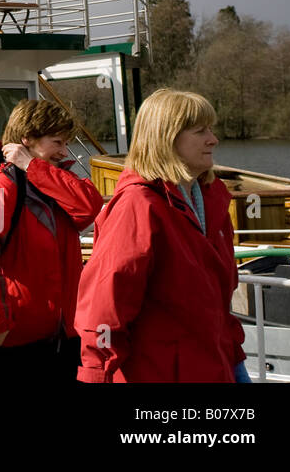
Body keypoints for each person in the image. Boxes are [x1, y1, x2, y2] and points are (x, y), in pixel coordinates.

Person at [75, 89, 247, 383]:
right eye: (200, 131)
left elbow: (219, 302)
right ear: (167, 138)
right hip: (161, 372)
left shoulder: (211, 201)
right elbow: (104, 304)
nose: (213, 139)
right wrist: (96, 374)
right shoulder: (138, 206)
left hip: (217, 365)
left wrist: (235, 359)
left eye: (211, 129)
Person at [0, 99, 103, 382]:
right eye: (57, 142)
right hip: (17, 342)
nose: (64, 151)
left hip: (61, 337)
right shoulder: (3, 185)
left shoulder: (51, 179)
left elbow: (89, 206)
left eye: (65, 143)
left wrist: (33, 166)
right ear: (27, 139)